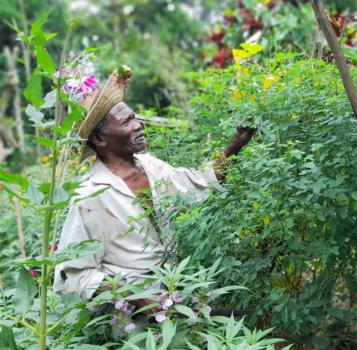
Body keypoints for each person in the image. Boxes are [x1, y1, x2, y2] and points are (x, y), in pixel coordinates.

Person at [53, 66, 255, 313]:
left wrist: (238, 143)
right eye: (127, 121)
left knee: (245, 315)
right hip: (128, 318)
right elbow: (74, 274)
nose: (138, 125)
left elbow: (200, 183)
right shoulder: (89, 195)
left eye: (134, 117)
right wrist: (135, 297)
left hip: (175, 291)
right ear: (99, 140)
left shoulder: (150, 166)